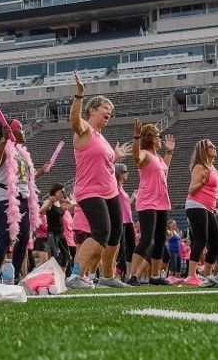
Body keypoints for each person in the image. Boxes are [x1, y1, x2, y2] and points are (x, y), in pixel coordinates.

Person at [69, 72, 129, 288]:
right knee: (101, 232)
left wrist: (116, 155)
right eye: (105, 109)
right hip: (90, 191)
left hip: (110, 191)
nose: (109, 113)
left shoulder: (101, 137)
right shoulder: (84, 130)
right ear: (92, 111)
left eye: (110, 111)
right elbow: (74, 120)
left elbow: (103, 162)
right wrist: (79, 95)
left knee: (115, 234)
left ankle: (107, 276)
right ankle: (75, 275)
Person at [0, 120, 43, 283]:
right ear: (11, 132)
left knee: (24, 238)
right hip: (2, 195)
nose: (23, 132)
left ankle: (14, 275)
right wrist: (5, 140)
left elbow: (24, 179)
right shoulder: (1, 145)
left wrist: (40, 172)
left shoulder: (21, 151)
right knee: (6, 235)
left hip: (22, 196)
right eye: (20, 129)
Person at [127, 119, 175, 286]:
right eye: (158, 135)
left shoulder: (159, 158)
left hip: (161, 201)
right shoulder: (145, 154)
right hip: (148, 202)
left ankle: (155, 276)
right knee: (147, 239)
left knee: (160, 239)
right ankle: (132, 275)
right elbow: (135, 156)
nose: (160, 138)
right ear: (150, 138)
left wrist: (169, 152)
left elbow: (164, 171)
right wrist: (136, 137)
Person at [184, 139, 218, 285]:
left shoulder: (211, 166)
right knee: (201, 239)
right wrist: (202, 183)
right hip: (196, 205)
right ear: (204, 151)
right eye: (211, 146)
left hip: (208, 207)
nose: (215, 147)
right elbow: (191, 189)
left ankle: (207, 275)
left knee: (217, 242)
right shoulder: (199, 166)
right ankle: (191, 275)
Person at [40, 183, 72, 270]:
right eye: (61, 192)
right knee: (55, 256)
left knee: (66, 255)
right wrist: (50, 203)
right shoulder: (49, 201)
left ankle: (63, 276)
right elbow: (40, 212)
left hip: (61, 234)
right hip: (53, 234)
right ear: (55, 191)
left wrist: (66, 206)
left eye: (63, 192)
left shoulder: (59, 202)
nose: (62, 194)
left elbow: (60, 215)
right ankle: (52, 276)